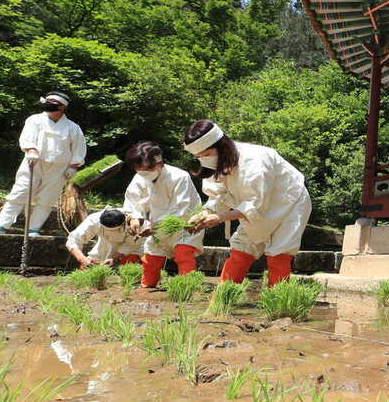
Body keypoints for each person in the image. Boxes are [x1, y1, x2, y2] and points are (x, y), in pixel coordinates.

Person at [184, 120, 311, 288]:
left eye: (206, 154)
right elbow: (218, 195)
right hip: (252, 207)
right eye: (198, 157)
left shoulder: (254, 159)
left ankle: (278, 307)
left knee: (279, 252)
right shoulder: (216, 163)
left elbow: (256, 203)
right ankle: (221, 301)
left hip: (289, 202)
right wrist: (206, 212)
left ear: (221, 145)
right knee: (241, 248)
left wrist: (219, 217)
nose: (204, 161)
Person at [0, 92, 86, 236]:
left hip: (59, 167)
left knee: (47, 199)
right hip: (33, 162)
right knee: (20, 193)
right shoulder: (35, 120)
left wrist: (73, 167)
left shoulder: (72, 128)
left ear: (62, 107)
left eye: (52, 101)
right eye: (47, 100)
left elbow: (78, 148)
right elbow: (28, 137)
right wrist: (31, 150)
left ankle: (33, 229)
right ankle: (1, 226)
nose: (47, 103)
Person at [124, 141, 204, 288]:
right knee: (150, 260)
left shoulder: (179, 177)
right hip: (156, 225)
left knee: (183, 254)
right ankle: (146, 290)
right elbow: (135, 201)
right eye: (138, 168)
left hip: (184, 225)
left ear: (160, 163)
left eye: (148, 168)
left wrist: (155, 226)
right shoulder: (139, 178)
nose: (143, 172)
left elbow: (180, 210)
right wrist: (134, 219)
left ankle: (187, 290)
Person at [65, 208, 143, 268]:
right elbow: (73, 240)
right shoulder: (93, 220)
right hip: (105, 241)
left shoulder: (133, 224)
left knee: (128, 265)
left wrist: (113, 258)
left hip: (133, 245)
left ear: (123, 223)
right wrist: (82, 259)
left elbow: (131, 245)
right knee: (88, 267)